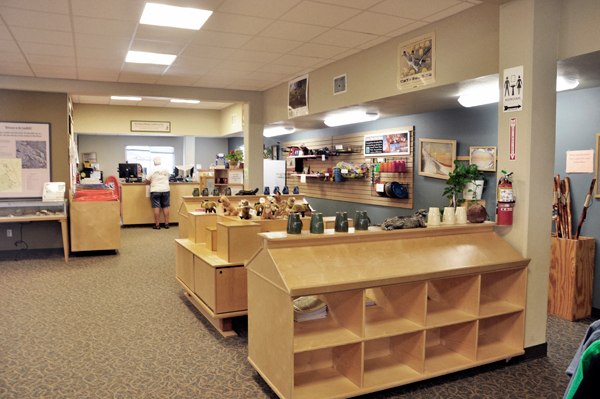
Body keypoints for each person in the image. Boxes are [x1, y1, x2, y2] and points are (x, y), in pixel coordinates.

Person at [146, 157, 170, 229]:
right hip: (165, 190)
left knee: (156, 207)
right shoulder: (166, 169)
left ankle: (157, 225)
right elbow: (168, 178)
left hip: (155, 190)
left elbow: (147, 181)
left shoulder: (152, 169)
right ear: (160, 162)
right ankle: (166, 224)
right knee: (165, 207)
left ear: (154, 163)